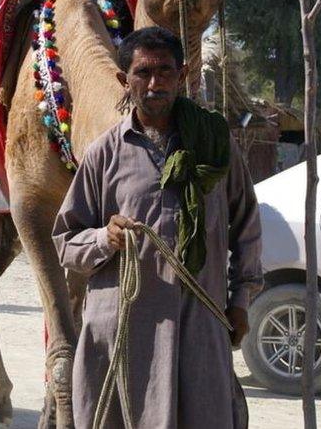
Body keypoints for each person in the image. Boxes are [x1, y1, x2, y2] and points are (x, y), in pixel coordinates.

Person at [52, 27, 263, 428]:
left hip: (199, 324)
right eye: (143, 73)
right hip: (125, 332)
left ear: (182, 76)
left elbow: (248, 228)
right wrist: (104, 238)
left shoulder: (216, 146)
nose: (155, 83)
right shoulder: (104, 154)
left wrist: (241, 301)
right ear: (123, 80)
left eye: (165, 71)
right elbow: (66, 240)